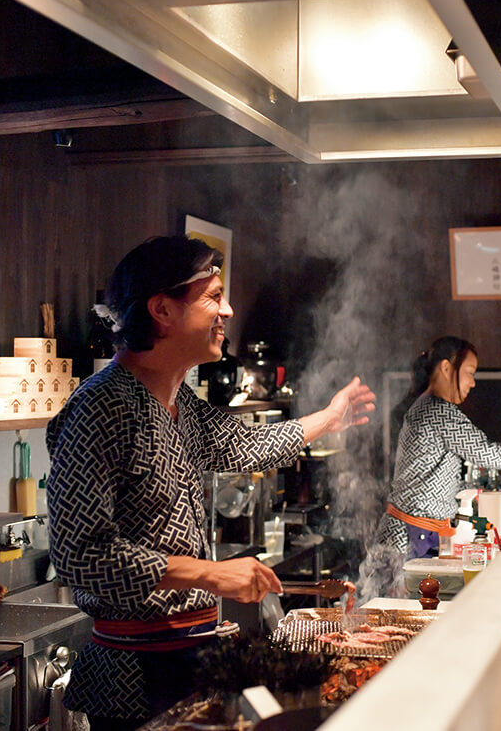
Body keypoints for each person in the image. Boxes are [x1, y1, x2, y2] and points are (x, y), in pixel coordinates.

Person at [46, 235, 376, 730]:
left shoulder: (183, 406)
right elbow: (80, 556)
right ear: (162, 310)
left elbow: (249, 446)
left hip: (193, 658)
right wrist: (207, 573)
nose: (228, 308)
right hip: (134, 676)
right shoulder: (101, 408)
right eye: (212, 296)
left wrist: (329, 419)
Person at [378, 336, 501, 559]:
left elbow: (436, 479)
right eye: (470, 372)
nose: (473, 382)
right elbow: (487, 454)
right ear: (447, 368)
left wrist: (482, 493)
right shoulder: (438, 411)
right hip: (410, 536)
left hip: (413, 532)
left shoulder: (427, 406)